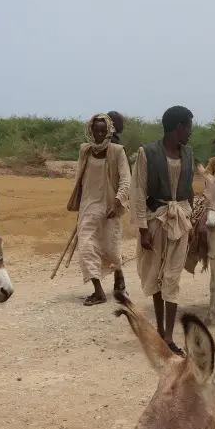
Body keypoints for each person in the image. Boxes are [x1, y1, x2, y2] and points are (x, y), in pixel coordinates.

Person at [131, 105, 196, 352]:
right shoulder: (147, 153)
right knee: (156, 276)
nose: (191, 131)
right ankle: (160, 331)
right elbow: (137, 193)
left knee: (172, 277)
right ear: (178, 127)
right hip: (156, 220)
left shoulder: (188, 153)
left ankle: (168, 337)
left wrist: (191, 219)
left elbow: (188, 189)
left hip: (181, 220)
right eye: (189, 126)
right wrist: (142, 229)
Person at [67, 113, 131, 306]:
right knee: (86, 246)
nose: (101, 134)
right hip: (88, 207)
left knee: (110, 248)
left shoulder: (117, 151)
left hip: (110, 208)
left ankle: (118, 273)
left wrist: (118, 201)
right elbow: (81, 177)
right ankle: (98, 291)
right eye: (97, 130)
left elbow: (126, 180)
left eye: (104, 130)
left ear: (110, 130)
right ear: (91, 130)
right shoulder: (84, 150)